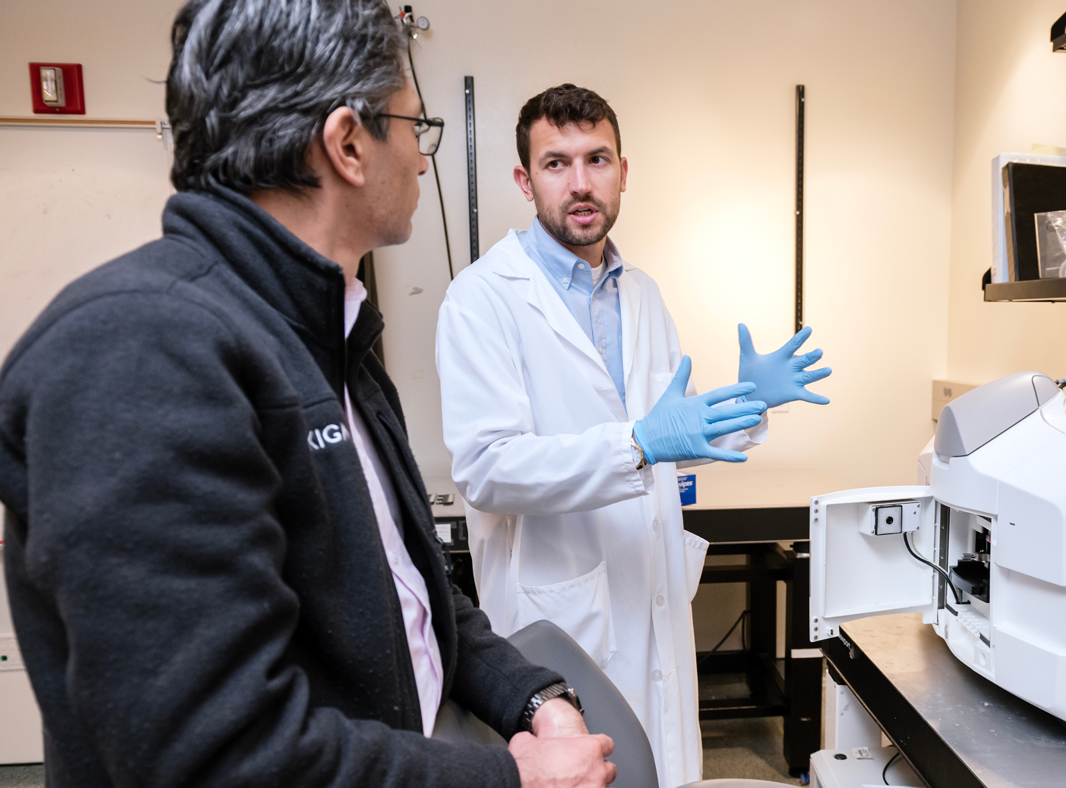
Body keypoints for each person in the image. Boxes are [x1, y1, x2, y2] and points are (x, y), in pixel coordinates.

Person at [0, 2, 614, 786]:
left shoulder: (333, 337)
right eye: (415, 128)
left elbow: (410, 593)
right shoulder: (140, 346)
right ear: (349, 143)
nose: (424, 161)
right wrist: (512, 779)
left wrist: (533, 697)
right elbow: (214, 755)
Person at [435, 84, 832, 787]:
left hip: (647, 591)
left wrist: (745, 407)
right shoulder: (482, 298)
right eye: (557, 164)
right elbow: (488, 469)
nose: (581, 183)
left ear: (625, 170)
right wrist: (638, 443)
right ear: (525, 181)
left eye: (598, 159)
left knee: (666, 765)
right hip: (559, 610)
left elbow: (671, 431)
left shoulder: (640, 291)